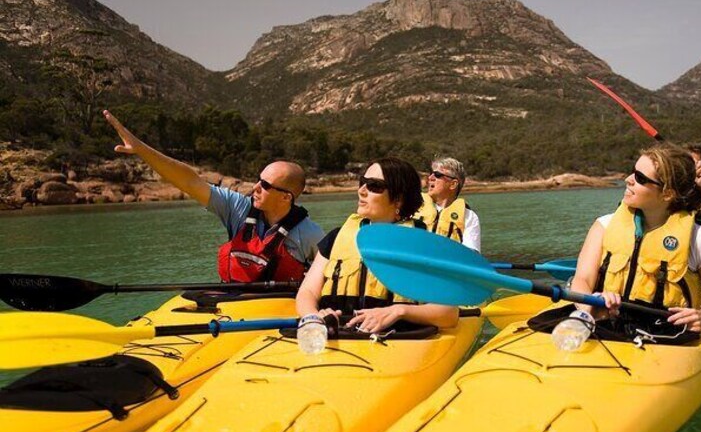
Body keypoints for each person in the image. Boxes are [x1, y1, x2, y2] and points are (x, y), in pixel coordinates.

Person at [103, 110, 324, 283]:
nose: (255, 187)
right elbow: (189, 181)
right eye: (258, 180)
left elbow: (330, 278)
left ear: (286, 197)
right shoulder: (237, 208)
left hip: (275, 315)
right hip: (232, 307)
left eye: (265, 185)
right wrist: (141, 149)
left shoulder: (310, 235)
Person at [570, 143, 701, 337]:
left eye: (640, 178)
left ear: (668, 193)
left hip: (666, 335)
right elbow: (582, 279)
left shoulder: (700, 241)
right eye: (632, 172)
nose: (628, 180)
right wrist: (588, 305)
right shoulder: (604, 226)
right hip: (605, 324)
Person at [296, 157, 458, 334]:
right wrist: (314, 316)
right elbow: (307, 292)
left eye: (374, 186)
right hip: (337, 334)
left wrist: (398, 311)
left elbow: (448, 313)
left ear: (398, 199)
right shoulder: (336, 238)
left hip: (398, 341)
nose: (362, 191)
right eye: (362, 182)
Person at [414, 157, 481, 252]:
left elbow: (472, 255)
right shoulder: (412, 204)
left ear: (453, 184)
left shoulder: (469, 217)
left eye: (437, 175)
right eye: (431, 174)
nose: (430, 178)